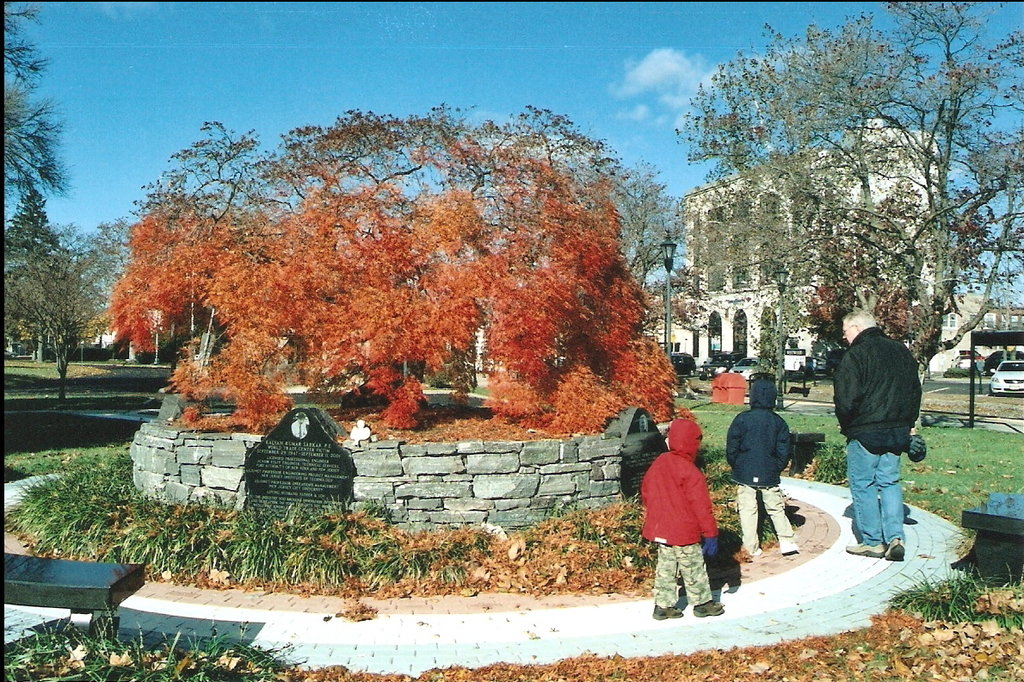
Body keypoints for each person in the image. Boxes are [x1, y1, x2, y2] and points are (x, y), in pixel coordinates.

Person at [833, 310, 922, 562]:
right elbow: (915, 391)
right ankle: (895, 537)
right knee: (890, 482)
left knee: (864, 484)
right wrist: (909, 425)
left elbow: (846, 399)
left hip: (865, 431)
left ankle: (872, 542)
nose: (844, 336)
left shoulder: (856, 355)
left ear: (857, 327)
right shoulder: (901, 351)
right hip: (897, 430)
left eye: (845, 331)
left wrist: (847, 426)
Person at [640, 418, 725, 620]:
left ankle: (663, 605)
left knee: (666, 567)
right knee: (693, 565)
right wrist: (711, 534)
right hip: (684, 530)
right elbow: (701, 507)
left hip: (661, 528)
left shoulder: (659, 462)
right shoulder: (690, 472)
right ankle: (702, 603)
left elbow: (646, 491)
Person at [726, 377, 799, 558]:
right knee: (775, 506)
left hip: (745, 470)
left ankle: (751, 546)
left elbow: (732, 446)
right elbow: (784, 450)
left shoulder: (741, 419)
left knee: (747, 509)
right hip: (768, 470)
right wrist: (777, 467)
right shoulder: (778, 422)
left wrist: (736, 464)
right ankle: (787, 541)